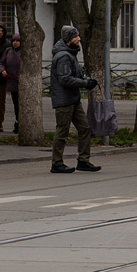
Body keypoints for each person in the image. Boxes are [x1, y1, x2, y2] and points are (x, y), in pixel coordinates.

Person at [51, 25, 100, 173]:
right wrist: (85, 83)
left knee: (85, 128)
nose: (79, 38)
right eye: (75, 37)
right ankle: (57, 163)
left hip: (73, 99)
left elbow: (76, 75)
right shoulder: (63, 56)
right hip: (64, 101)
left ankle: (83, 161)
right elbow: (65, 79)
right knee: (62, 132)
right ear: (68, 40)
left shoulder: (71, 54)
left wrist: (87, 80)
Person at [0, 32, 23, 134]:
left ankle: (20, 124)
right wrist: (2, 70)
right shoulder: (8, 51)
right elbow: (1, 63)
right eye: (14, 41)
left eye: (17, 41)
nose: (15, 43)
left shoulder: (24, 52)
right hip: (12, 83)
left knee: (22, 106)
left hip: (22, 83)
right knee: (16, 105)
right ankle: (17, 124)